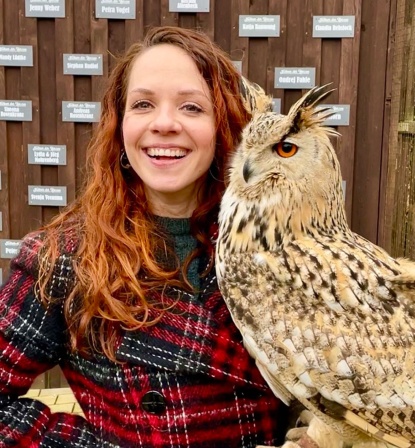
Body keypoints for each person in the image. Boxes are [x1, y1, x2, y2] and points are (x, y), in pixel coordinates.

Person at [0, 26, 293, 447]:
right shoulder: (65, 258)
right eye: (143, 104)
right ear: (121, 126)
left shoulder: (280, 244)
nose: (165, 124)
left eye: (191, 107)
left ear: (223, 127)